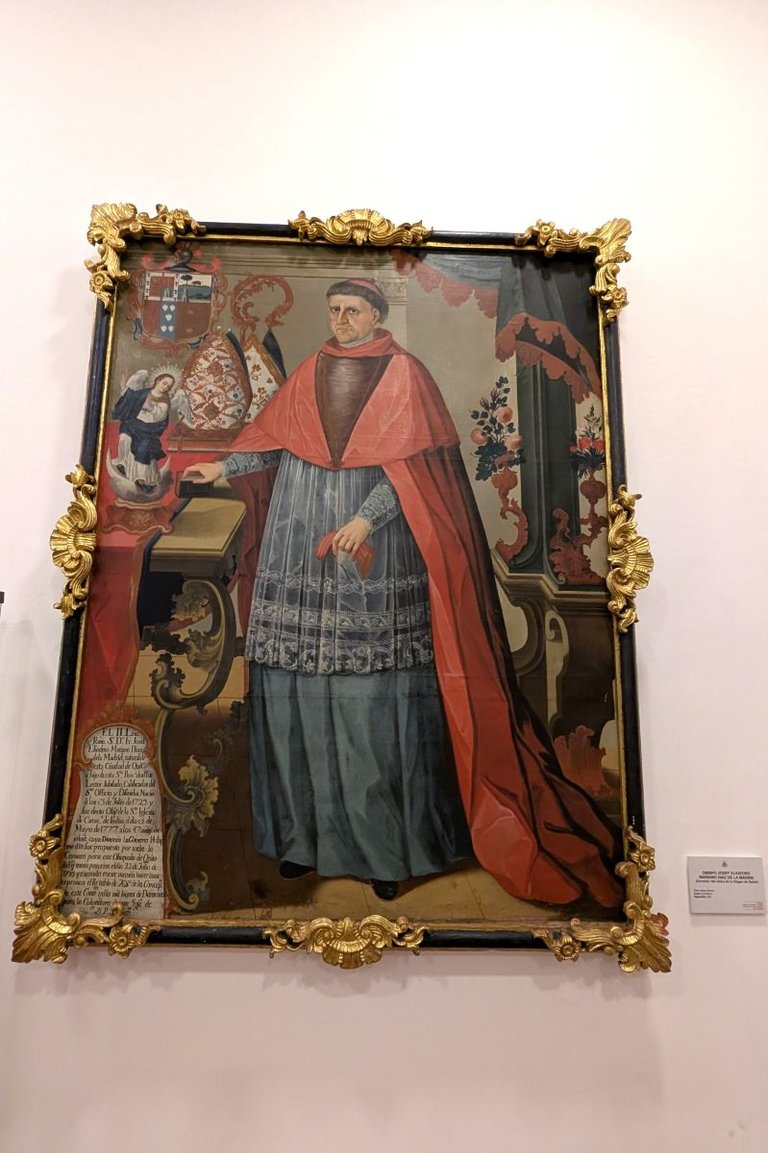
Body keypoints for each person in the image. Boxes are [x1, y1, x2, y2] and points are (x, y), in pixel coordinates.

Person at [183, 279, 623, 909]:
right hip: (298, 551)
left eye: (352, 311)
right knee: (300, 695)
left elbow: (413, 472)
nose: (341, 319)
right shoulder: (311, 370)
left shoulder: (406, 375)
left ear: (376, 316)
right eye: (334, 309)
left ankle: (383, 851)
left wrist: (366, 520)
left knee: (374, 706)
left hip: (379, 561)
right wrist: (223, 466)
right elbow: (273, 443)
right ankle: (304, 840)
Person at [112, 367, 184, 492]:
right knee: (125, 435)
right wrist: (124, 387)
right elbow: (131, 398)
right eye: (164, 383)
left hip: (150, 429)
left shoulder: (165, 400)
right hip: (135, 424)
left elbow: (160, 416)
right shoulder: (144, 392)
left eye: (169, 386)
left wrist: (151, 407)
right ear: (158, 381)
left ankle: (144, 479)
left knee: (143, 448)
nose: (166, 387)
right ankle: (124, 464)